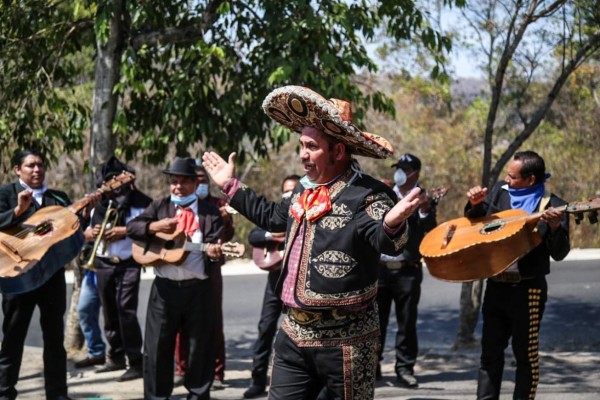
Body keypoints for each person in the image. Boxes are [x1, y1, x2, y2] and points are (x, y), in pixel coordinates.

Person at [202, 85, 421, 400]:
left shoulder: (367, 194)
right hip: (293, 333)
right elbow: (273, 217)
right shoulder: (301, 191)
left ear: (338, 151)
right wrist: (230, 186)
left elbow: (384, 241)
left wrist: (391, 222)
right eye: (301, 145)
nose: (302, 154)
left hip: (347, 342)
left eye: (311, 146)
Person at [465, 150, 570, 400]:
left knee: (525, 355)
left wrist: (555, 229)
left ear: (531, 179)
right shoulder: (501, 192)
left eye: (512, 177)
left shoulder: (553, 205)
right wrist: (475, 204)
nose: (507, 180)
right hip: (496, 287)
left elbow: (559, 253)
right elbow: (476, 223)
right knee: (489, 354)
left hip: (528, 290)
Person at [0, 149, 99, 400]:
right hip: (18, 276)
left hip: (51, 277)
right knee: (13, 339)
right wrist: (17, 212)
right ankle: (4, 393)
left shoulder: (59, 197)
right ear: (17, 170)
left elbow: (67, 234)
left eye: (40, 165)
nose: (37, 170)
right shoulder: (5, 194)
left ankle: (57, 395)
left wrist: (84, 219)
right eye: (31, 165)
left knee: (55, 340)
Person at [126, 156, 224, 400]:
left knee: (199, 349)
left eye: (184, 182)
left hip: (198, 291)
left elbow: (216, 252)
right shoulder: (160, 206)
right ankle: (158, 397)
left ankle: (198, 395)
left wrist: (214, 254)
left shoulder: (210, 212)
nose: (178, 186)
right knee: (157, 348)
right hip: (164, 290)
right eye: (173, 181)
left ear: (194, 183)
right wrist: (154, 227)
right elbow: (132, 228)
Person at [80, 156, 152, 382]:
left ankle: (136, 361)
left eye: (116, 180)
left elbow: (148, 228)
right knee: (109, 312)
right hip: (102, 262)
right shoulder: (97, 204)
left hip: (129, 263)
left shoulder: (142, 202)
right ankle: (116, 355)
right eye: (107, 181)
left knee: (126, 311)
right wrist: (88, 233)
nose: (112, 185)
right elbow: (81, 230)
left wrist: (124, 231)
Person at [376, 153, 437, 388]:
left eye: (404, 169)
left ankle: (404, 368)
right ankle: (373, 366)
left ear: (415, 173)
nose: (399, 172)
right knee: (375, 322)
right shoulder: (385, 194)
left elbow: (430, 231)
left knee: (406, 322)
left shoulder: (423, 198)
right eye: (398, 168)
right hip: (379, 270)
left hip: (407, 270)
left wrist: (423, 211)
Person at [173, 164, 235, 390]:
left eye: (202, 179)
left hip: (210, 270)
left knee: (213, 322)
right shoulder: (178, 204)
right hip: (181, 269)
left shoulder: (217, 205)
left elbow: (227, 236)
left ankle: (217, 373)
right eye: (195, 179)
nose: (199, 184)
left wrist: (226, 220)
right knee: (180, 323)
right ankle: (182, 369)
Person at [243, 174, 300, 399]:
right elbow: (254, 235)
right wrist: (272, 234)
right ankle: (257, 380)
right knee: (265, 328)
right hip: (275, 280)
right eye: (285, 190)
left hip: (298, 283)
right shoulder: (276, 214)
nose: (289, 194)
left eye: (293, 190)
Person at [74, 267, 106, 369]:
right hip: (92, 271)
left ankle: (121, 356)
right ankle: (96, 353)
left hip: (113, 266)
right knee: (84, 310)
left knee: (116, 313)